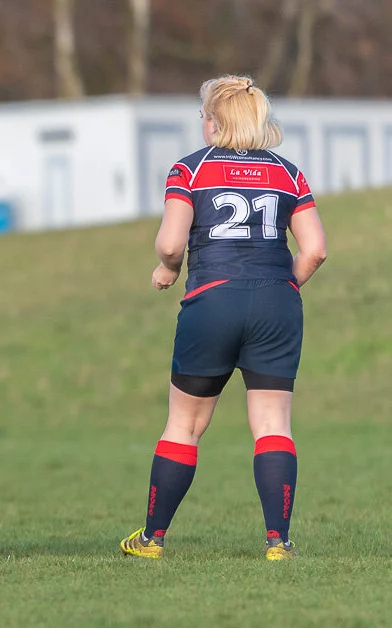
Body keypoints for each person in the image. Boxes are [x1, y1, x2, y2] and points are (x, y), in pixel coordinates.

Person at [121, 75, 327, 561]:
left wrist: (167, 269)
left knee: (185, 424)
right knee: (273, 423)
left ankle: (152, 539)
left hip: (213, 300)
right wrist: (285, 286)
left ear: (214, 120)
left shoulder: (190, 169)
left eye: (202, 113)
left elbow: (172, 243)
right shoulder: (288, 172)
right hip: (277, 302)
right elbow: (315, 249)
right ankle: (278, 542)